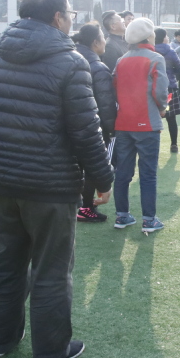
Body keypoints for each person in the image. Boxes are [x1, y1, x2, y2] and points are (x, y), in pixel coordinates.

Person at [0, 0, 114, 358]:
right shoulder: (70, 62)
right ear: (58, 17)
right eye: (70, 14)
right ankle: (50, 351)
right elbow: (86, 132)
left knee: (5, 267)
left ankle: (1, 341)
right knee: (51, 271)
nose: (71, 21)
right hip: (47, 184)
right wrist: (103, 179)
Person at [112, 18, 168, 231]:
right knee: (148, 174)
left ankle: (121, 216)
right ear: (148, 36)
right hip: (147, 124)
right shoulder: (155, 58)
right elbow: (160, 91)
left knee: (122, 173)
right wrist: (162, 107)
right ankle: (149, 219)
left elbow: (114, 86)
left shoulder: (121, 60)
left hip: (123, 123)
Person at [72, 21, 116, 223]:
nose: (105, 41)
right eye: (103, 38)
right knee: (93, 165)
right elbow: (106, 104)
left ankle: (80, 205)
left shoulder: (70, 59)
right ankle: (86, 207)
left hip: (69, 124)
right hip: (91, 126)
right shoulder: (97, 67)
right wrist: (111, 129)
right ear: (96, 42)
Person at [154, 28, 180, 153]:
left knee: (153, 117)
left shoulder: (150, 51)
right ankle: (174, 144)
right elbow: (179, 68)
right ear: (163, 38)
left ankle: (154, 145)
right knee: (171, 117)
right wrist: (171, 76)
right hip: (169, 89)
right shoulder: (170, 51)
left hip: (153, 89)